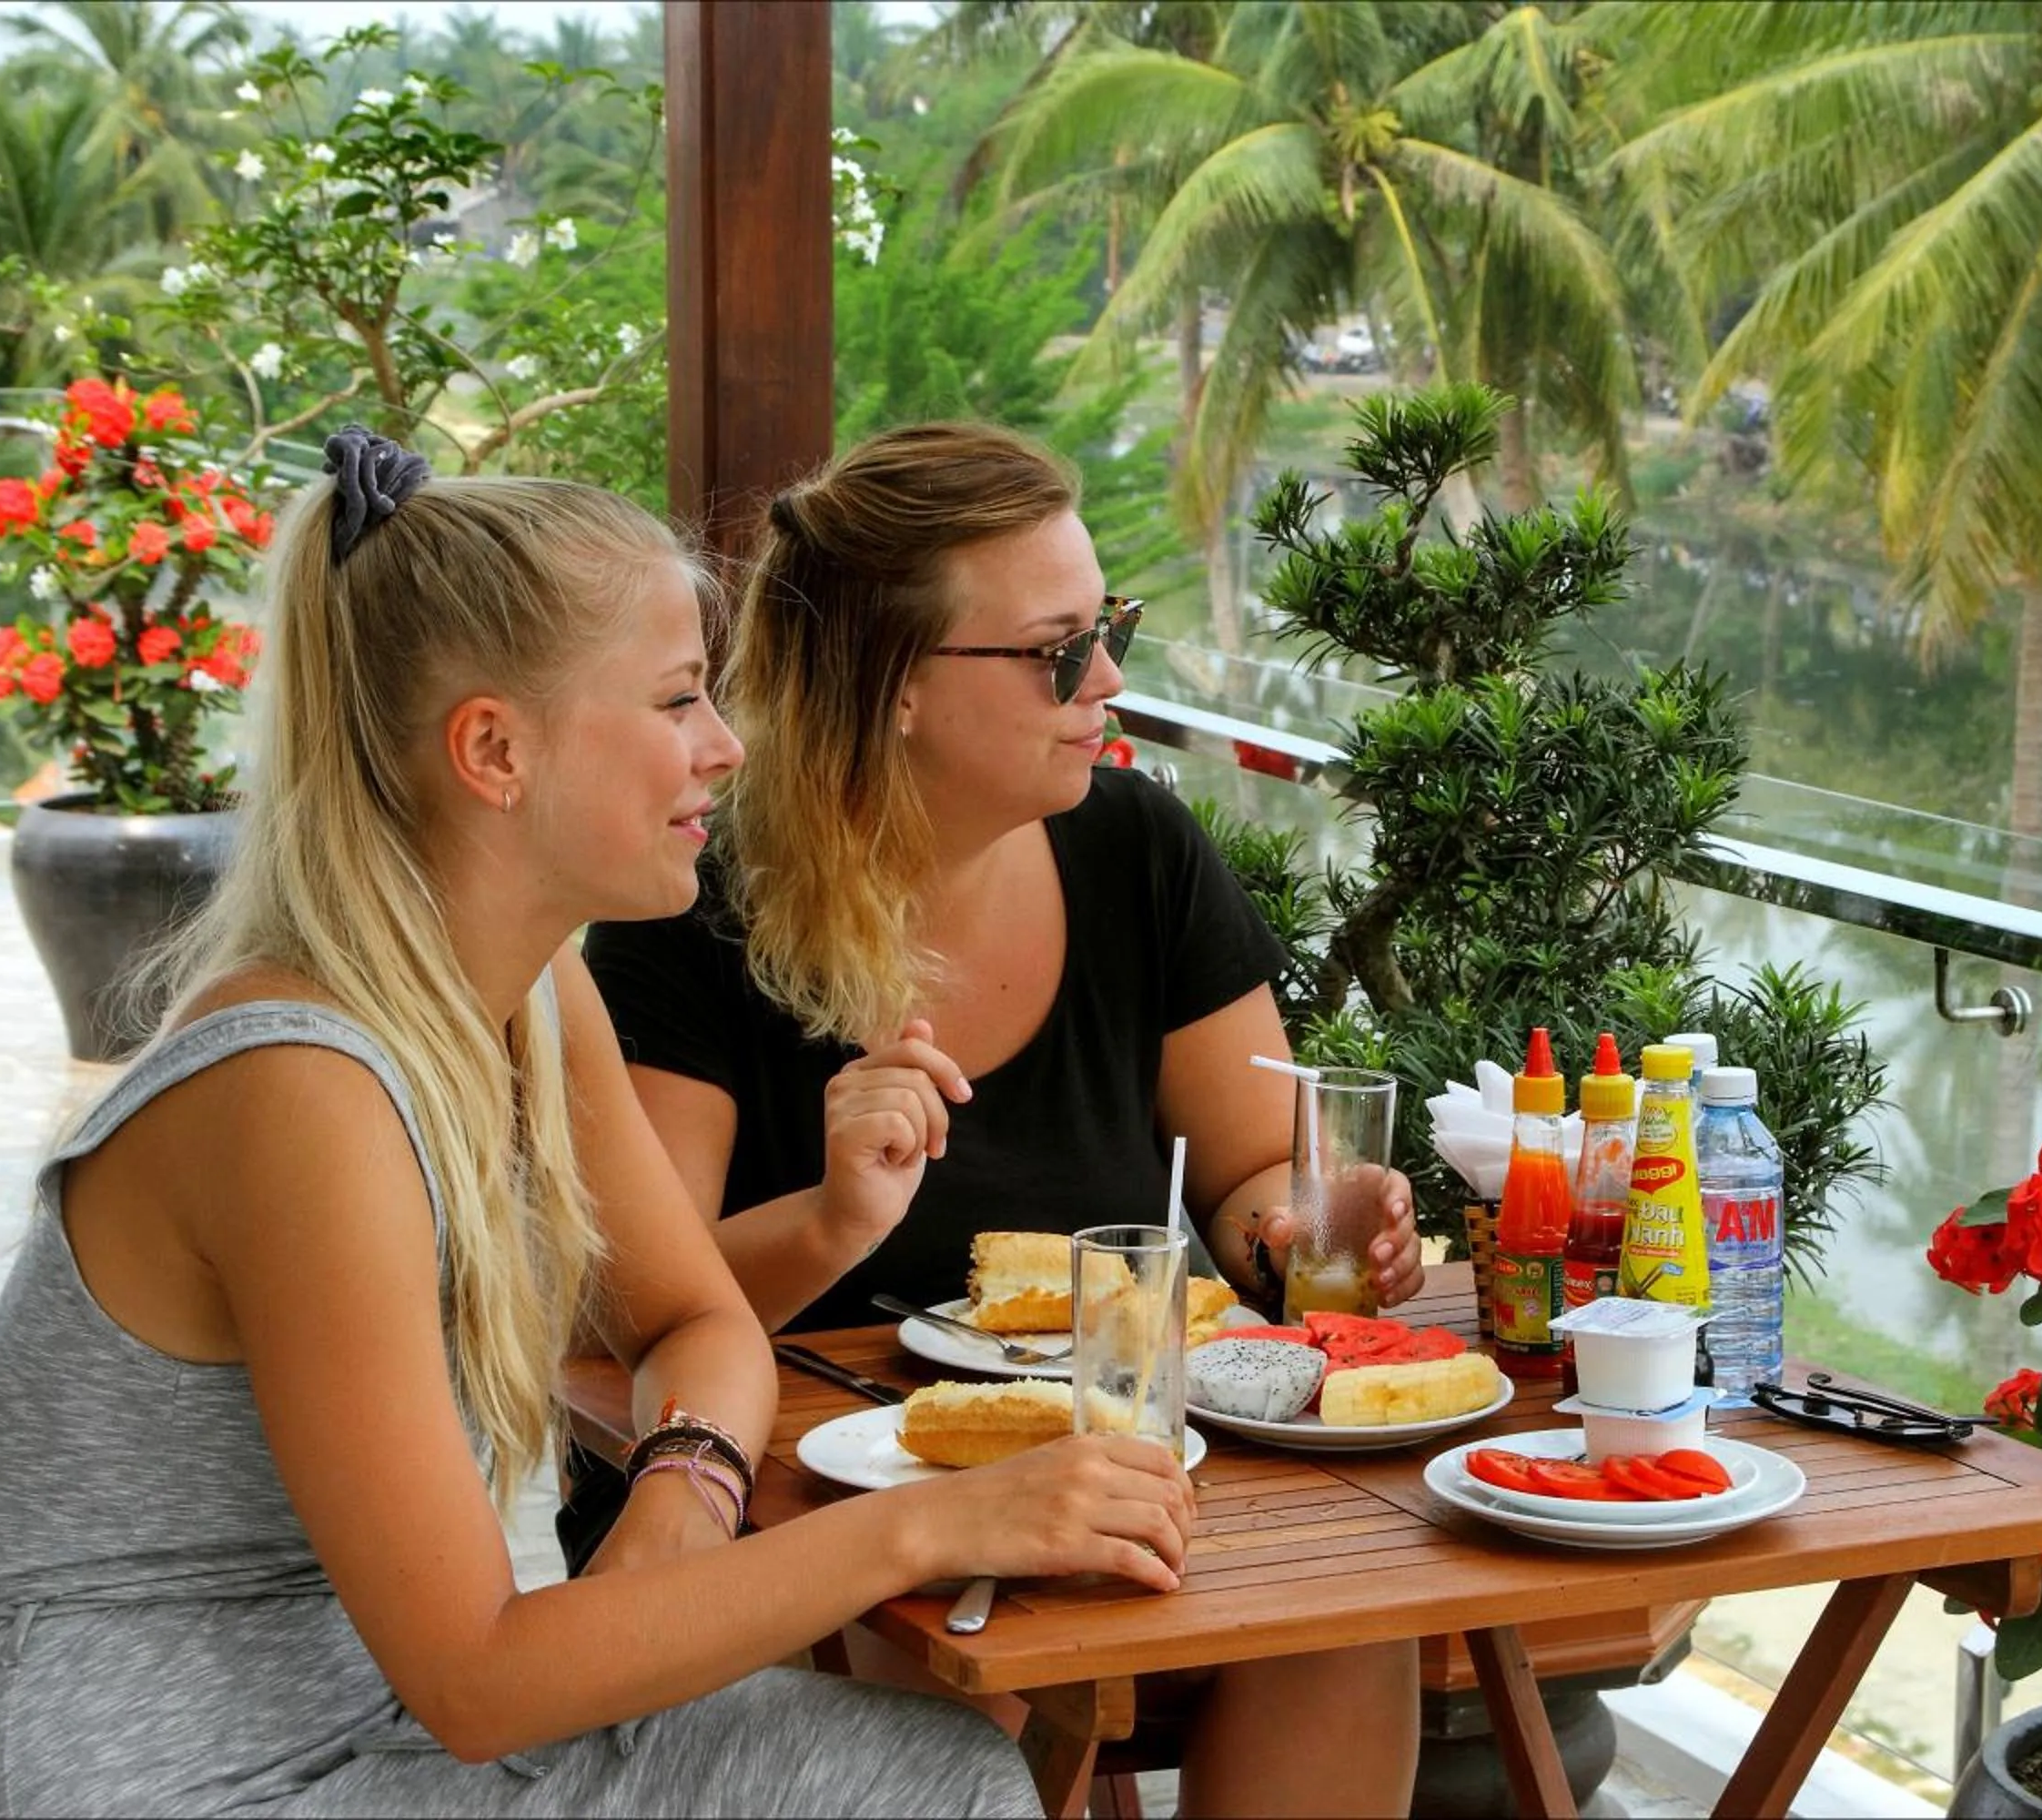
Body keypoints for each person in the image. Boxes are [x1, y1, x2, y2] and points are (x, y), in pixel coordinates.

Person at [0, 432, 1198, 1818]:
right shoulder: (298, 1091)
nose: (727, 745)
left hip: (367, 1725)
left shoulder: (530, 999)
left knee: (933, 1772)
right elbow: (480, 1678)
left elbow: (696, 1321)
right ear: (495, 751)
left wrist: (681, 1494)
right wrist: (933, 1524)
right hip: (168, 1777)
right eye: (675, 700)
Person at [574, 421, 1424, 1816]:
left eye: (1112, 628)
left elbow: (1250, 1168)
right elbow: (620, 1315)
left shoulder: (1137, 851)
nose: (1107, 682)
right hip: (808, 1495)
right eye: (1054, 651)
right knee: (957, 1669)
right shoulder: (694, 913)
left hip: (1120, 1450)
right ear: (892, 685)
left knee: (1350, 1612)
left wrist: (1302, 1226)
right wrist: (839, 1218)